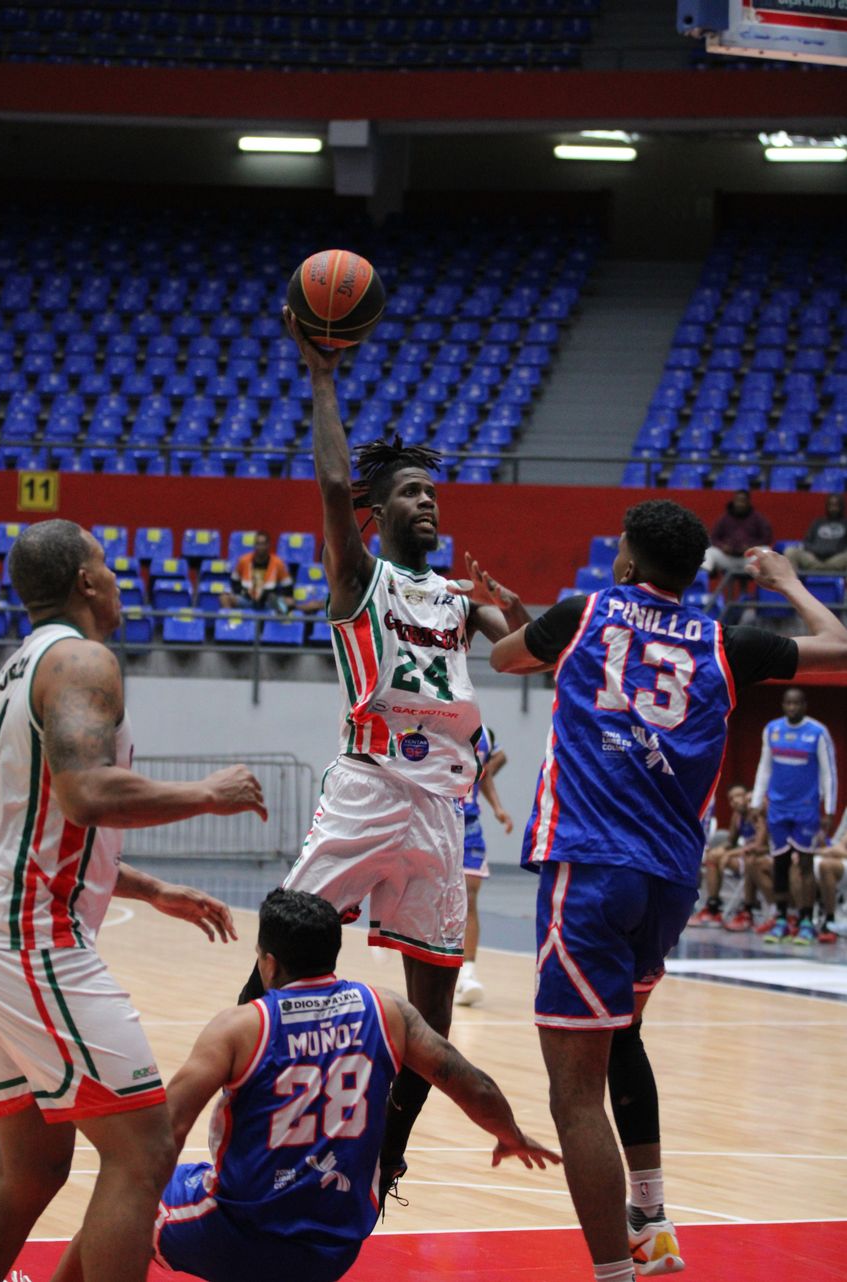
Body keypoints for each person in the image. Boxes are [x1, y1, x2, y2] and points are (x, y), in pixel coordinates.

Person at [481, 499, 847, 1282]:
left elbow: (506, 657)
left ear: (624, 561)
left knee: (572, 1097)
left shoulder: (584, 612)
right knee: (624, 1038)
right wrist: (783, 578)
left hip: (586, 866)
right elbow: (840, 647)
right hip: (668, 881)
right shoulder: (724, 640)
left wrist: (514, 620)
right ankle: (650, 1216)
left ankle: (618, 1271)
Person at [239, 308, 531, 1209]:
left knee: (433, 1014)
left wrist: (516, 616)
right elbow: (331, 489)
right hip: (369, 785)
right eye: (411, 494)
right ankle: (238, 1108)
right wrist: (323, 378)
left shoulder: (452, 596)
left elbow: (523, 647)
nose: (428, 503)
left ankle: (383, 1158)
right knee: (276, 958)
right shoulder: (362, 579)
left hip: (441, 810)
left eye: (433, 494)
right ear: (377, 512)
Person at [0, 519, 267, 1282]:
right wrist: (207, 793)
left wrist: (144, 886)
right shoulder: (83, 658)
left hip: (6, 935)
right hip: (35, 941)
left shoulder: (16, 668)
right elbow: (84, 795)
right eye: (107, 566)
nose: (117, 580)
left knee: (32, 1167)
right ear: (84, 582)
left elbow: (26, 821)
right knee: (143, 1148)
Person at [152, 888, 559, 1282]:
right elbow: (474, 1085)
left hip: (245, 1236)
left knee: (118, 1211)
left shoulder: (240, 1027)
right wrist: (511, 1135)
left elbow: (163, 1132)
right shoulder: (385, 1010)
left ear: (269, 964)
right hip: (336, 1244)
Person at [751, 686, 837, 946]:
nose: (792, 708)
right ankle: (780, 918)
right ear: (783, 705)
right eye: (788, 703)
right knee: (780, 863)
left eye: (797, 703)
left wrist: (829, 810)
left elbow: (828, 773)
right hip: (777, 807)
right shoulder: (772, 730)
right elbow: (764, 767)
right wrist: (757, 801)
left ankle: (807, 920)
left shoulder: (818, 733)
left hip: (806, 808)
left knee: (806, 865)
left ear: (805, 705)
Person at [455, 725, 513, 1007]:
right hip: (437, 819)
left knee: (469, 897)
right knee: (435, 901)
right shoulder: (431, 722)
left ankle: (468, 974)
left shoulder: (485, 734)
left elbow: (487, 771)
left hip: (470, 824)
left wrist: (498, 809)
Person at [687, 783, 770, 930]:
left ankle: (748, 908)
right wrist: (718, 850)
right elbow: (731, 842)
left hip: (763, 856)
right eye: (731, 799)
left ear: (748, 797)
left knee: (736, 859)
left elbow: (758, 846)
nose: (736, 801)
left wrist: (728, 854)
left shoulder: (758, 814)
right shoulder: (737, 817)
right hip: (744, 856)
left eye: (739, 796)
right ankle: (713, 907)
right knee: (713, 856)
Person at [702, 488, 773, 578]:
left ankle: (765, 586)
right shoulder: (724, 518)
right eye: (737, 501)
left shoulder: (758, 518)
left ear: (748, 502)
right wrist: (722, 546)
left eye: (743, 501)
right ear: (734, 501)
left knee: (766, 551)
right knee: (708, 551)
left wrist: (752, 546)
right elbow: (714, 538)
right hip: (728, 558)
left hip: (749, 559)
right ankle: (701, 584)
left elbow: (766, 537)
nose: (740, 504)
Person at [220, 530, 293, 612]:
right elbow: (234, 582)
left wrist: (273, 595)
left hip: (268, 601)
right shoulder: (243, 561)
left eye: (263, 544)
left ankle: (276, 621)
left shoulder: (278, 563)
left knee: (289, 602)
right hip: (247, 600)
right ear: (254, 546)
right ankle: (233, 622)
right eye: (258, 544)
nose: (260, 547)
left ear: (268, 545)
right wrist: (245, 592)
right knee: (224, 598)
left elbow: (288, 587)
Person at [785, 493, 847, 574]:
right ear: (827, 506)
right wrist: (816, 551)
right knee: (790, 551)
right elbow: (806, 542)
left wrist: (833, 551)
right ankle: (793, 585)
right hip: (815, 559)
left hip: (836, 560)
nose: (833, 508)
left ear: (841, 507)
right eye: (831, 505)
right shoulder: (817, 523)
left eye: (836, 505)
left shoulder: (845, 523)